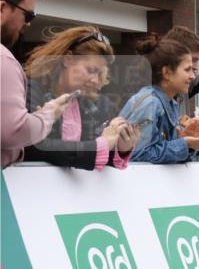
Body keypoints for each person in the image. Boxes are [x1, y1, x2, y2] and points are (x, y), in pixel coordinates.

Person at [23, 26, 139, 170]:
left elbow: (92, 157)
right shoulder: (31, 90)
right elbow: (33, 147)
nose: (96, 80)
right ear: (67, 59)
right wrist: (99, 145)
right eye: (91, 70)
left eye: (99, 74)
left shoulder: (89, 103)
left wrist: (121, 147)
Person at [1, 0, 73, 168]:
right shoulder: (4, 61)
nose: (29, 23)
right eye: (28, 15)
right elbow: (13, 131)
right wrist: (48, 115)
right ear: (2, 8)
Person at [118, 34, 199, 163]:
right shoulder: (150, 104)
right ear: (167, 72)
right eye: (187, 70)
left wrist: (187, 139)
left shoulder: (168, 103)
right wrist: (185, 144)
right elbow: (138, 155)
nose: (192, 76)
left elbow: (161, 153)